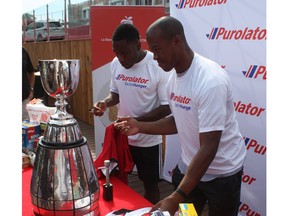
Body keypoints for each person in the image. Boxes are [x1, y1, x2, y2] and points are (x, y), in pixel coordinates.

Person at [115, 16, 247, 216]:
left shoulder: (210, 80)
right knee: (188, 214)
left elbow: (209, 146)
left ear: (176, 41)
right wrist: (139, 125)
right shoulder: (173, 79)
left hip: (222, 176)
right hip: (191, 174)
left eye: (157, 49)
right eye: (152, 50)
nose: (154, 56)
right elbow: (177, 121)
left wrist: (176, 195)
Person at [92, 23, 172, 204]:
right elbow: (115, 94)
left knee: (150, 185)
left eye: (124, 53)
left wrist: (136, 123)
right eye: (116, 53)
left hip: (148, 140)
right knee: (117, 181)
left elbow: (166, 108)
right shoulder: (115, 64)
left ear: (137, 45)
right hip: (122, 138)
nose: (120, 58)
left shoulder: (156, 65)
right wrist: (104, 103)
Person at [22, 47, 35, 121]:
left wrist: (31, 90)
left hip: (23, 102)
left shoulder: (22, 51)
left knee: (25, 131)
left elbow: (31, 72)